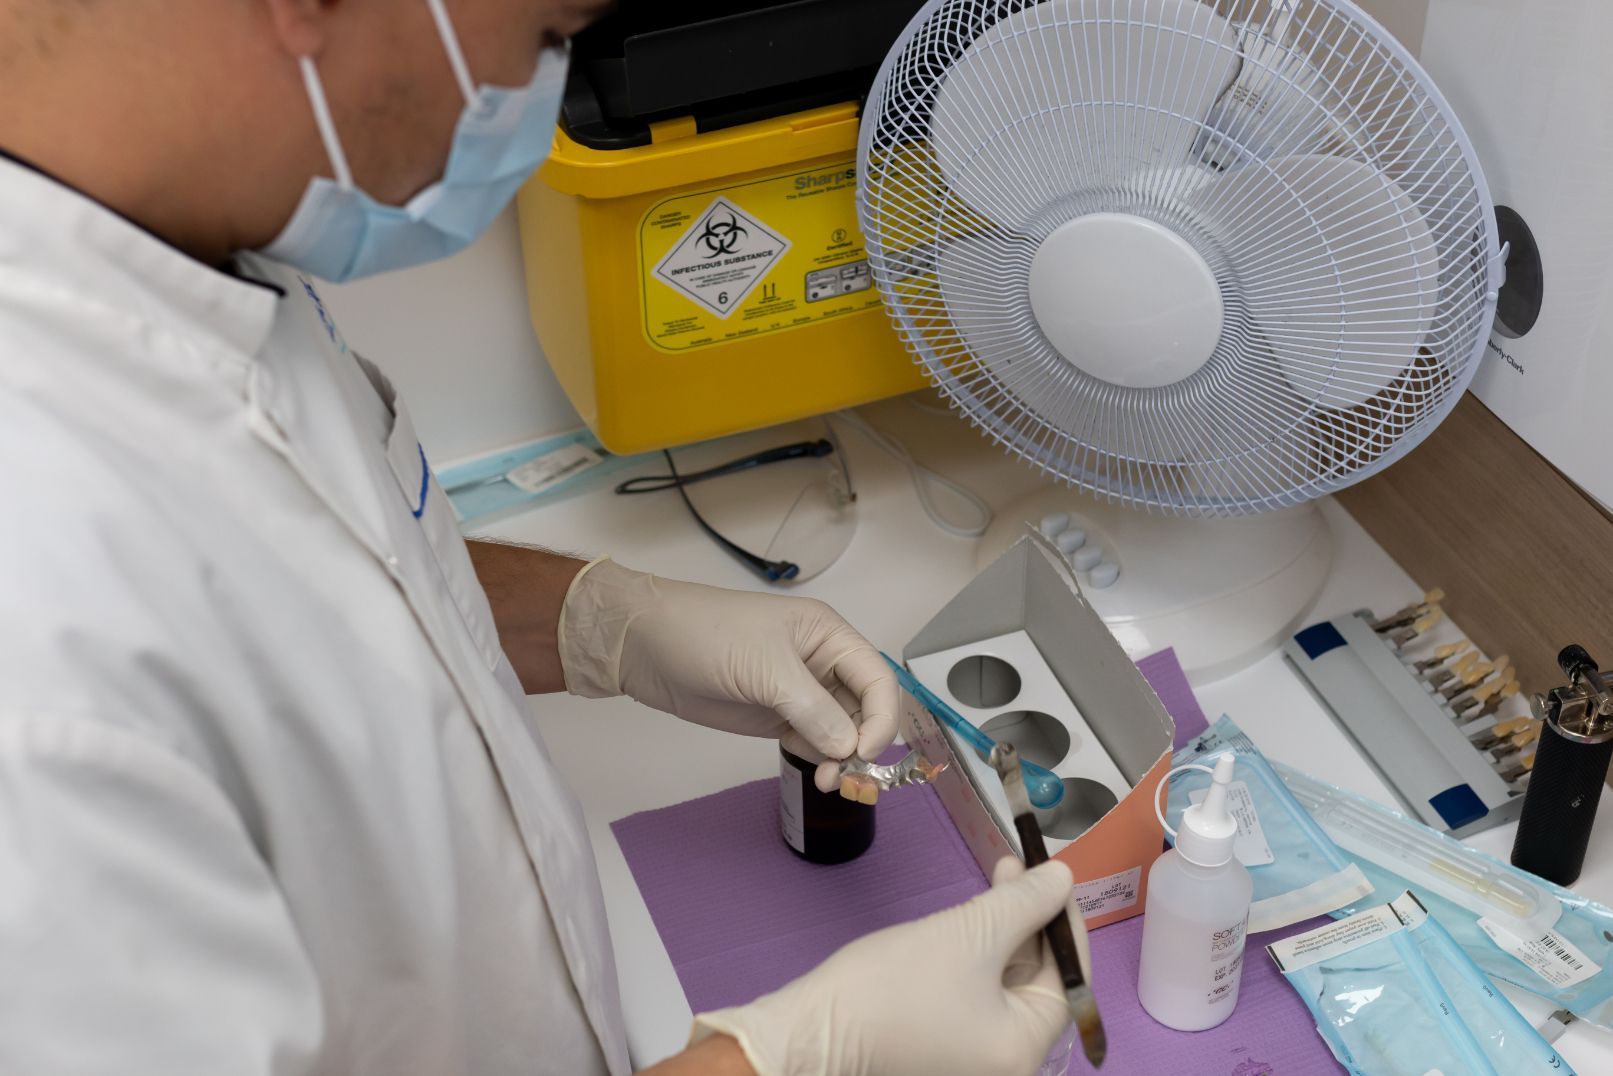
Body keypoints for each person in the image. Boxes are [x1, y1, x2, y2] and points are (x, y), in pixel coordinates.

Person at [0, 2, 1083, 1073]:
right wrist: (794, 1060)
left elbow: (292, 578)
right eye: (549, 33)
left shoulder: (193, 229)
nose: (542, 87)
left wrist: (601, 622)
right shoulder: (41, 676)